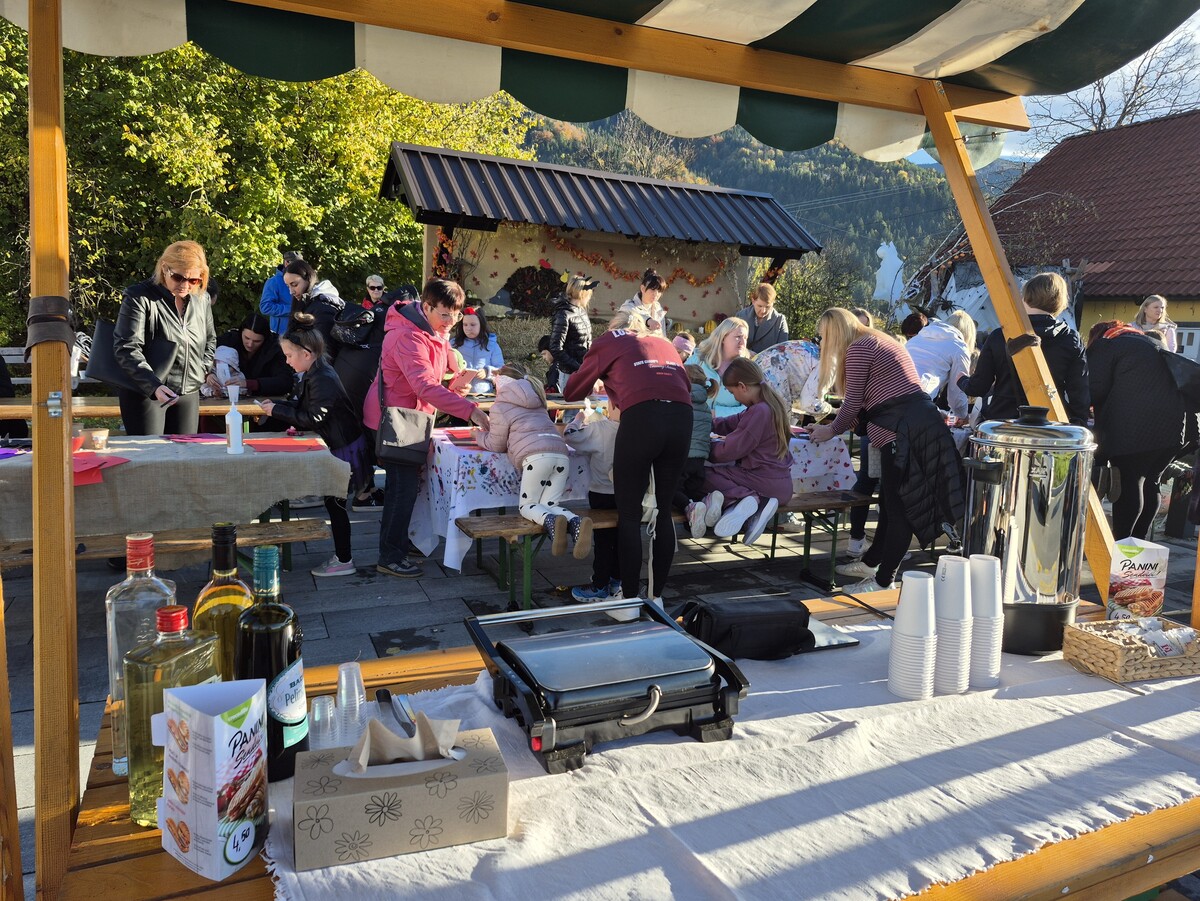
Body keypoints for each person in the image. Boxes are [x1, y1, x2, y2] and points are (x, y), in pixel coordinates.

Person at [810, 308, 965, 594]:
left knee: (899, 509)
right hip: (916, 426)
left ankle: (884, 581)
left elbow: (853, 402)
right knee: (890, 503)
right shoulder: (879, 340)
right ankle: (872, 563)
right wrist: (832, 424)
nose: (823, 343)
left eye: (824, 337)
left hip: (903, 433)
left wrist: (830, 430)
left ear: (834, 333)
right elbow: (867, 402)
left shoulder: (858, 348)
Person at [563, 310, 691, 614]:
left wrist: (604, 378)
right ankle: (656, 598)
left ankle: (628, 601)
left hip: (642, 416)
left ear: (615, 326)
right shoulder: (664, 343)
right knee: (663, 511)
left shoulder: (611, 339)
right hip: (682, 416)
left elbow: (572, 391)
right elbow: (682, 385)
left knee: (630, 514)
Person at [364, 278, 489, 579]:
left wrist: (456, 382)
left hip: (412, 418)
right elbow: (424, 386)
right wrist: (470, 410)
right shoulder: (407, 335)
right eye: (445, 314)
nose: (451, 322)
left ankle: (402, 543)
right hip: (393, 421)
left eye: (456, 315)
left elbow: (436, 376)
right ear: (427, 306)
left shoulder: (434, 330)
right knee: (401, 489)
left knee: (408, 487)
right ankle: (390, 556)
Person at [257, 314, 370, 577]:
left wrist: (277, 411)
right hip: (339, 444)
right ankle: (343, 557)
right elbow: (305, 406)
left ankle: (344, 559)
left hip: (343, 449)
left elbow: (314, 417)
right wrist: (279, 407)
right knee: (334, 504)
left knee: (336, 506)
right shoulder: (315, 372)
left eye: (289, 355)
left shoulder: (322, 378)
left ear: (306, 354)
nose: (287, 361)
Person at [477, 364, 593, 559]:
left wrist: (478, 436)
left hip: (536, 458)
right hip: (561, 455)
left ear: (501, 384)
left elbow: (496, 444)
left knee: (527, 505)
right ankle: (576, 521)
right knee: (549, 503)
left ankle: (551, 521)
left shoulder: (500, 406)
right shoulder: (538, 401)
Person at [1087, 320, 1191, 539]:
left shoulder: (1107, 344)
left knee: (1130, 481)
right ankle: (1138, 544)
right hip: (1172, 428)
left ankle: (1122, 545)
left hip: (1134, 430)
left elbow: (1095, 389)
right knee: (1150, 481)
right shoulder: (1151, 343)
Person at [957, 273, 1090, 426]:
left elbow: (978, 388)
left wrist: (961, 379)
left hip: (1003, 421)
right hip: (1050, 423)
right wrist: (1077, 425)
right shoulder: (1070, 339)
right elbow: (1080, 394)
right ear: (1060, 301)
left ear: (1025, 297)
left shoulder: (1000, 335)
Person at [113, 240, 216, 436]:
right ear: (164, 268)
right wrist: (153, 386)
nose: (185, 285)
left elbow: (210, 340)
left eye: (194, 280)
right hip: (146, 392)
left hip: (188, 391)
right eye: (178, 277)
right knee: (150, 452)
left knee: (186, 452)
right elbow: (126, 347)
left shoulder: (202, 299)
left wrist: (202, 369)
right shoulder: (139, 297)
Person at [700, 357, 795, 545]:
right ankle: (744, 509)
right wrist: (703, 423)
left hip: (763, 483)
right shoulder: (768, 406)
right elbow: (729, 423)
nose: (734, 398)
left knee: (701, 475)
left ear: (742, 386)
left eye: (732, 392)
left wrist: (703, 446)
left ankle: (748, 499)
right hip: (781, 484)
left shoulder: (759, 411)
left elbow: (729, 451)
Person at [564, 401, 623, 601]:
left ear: (612, 404)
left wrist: (578, 419)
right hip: (627, 492)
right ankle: (616, 580)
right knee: (622, 538)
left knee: (604, 542)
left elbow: (570, 436)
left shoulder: (600, 428)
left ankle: (600, 584)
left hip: (601, 491)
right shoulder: (636, 428)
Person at [674, 365, 718, 538]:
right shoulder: (705, 406)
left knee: (670, 490)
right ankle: (703, 505)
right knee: (691, 490)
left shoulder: (681, 401)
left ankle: (690, 507)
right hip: (700, 459)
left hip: (682, 456)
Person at [207, 312, 294, 398]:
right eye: (246, 338)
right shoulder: (228, 341)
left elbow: (285, 381)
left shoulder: (274, 349)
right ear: (241, 332)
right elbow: (203, 358)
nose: (250, 344)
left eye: (257, 341)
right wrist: (207, 375)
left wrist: (250, 384)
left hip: (264, 400)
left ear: (265, 339)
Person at [902, 316, 971, 420]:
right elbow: (956, 395)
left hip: (888, 393)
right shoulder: (959, 348)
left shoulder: (913, 341)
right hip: (917, 399)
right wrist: (962, 417)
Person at [686, 316, 751, 418]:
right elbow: (678, 389)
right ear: (723, 338)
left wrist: (716, 413)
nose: (743, 342)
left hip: (728, 426)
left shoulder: (747, 371)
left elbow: (750, 408)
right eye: (738, 336)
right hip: (694, 422)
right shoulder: (697, 361)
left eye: (745, 338)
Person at [753, 340, 830, 421]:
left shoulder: (810, 348)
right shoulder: (826, 364)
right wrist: (830, 410)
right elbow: (808, 403)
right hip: (772, 378)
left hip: (755, 370)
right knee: (779, 424)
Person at [546, 275, 596, 393]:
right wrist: (577, 367)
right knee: (572, 404)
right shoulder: (563, 314)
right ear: (584, 294)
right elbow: (556, 348)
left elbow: (586, 341)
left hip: (584, 369)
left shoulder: (581, 311)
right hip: (570, 373)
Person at [282, 259, 345, 351]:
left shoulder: (323, 307)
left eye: (294, 284)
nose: (291, 291)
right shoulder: (306, 302)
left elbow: (324, 349)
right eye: (288, 286)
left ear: (308, 279)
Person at [734, 282, 789, 354]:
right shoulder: (741, 316)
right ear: (753, 301)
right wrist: (747, 353)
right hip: (743, 360)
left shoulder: (780, 321)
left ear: (773, 303)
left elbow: (782, 351)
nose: (763, 311)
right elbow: (733, 344)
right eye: (760, 306)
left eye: (767, 307)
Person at [451, 306, 505, 376]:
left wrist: (487, 372)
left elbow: (500, 368)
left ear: (481, 325)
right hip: (460, 383)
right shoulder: (454, 343)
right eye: (465, 325)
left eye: (473, 325)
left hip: (484, 383)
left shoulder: (492, 345)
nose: (468, 328)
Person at [260, 250, 303, 335]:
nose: (299, 268)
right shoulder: (273, 282)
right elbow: (265, 307)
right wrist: (292, 310)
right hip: (279, 334)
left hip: (298, 332)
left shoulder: (302, 281)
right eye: (296, 265)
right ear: (286, 263)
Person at [619, 269, 669, 333]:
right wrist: (648, 320)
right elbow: (630, 311)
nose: (656, 294)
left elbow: (662, 335)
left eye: (659, 291)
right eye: (652, 289)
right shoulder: (629, 305)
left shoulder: (659, 310)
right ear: (642, 288)